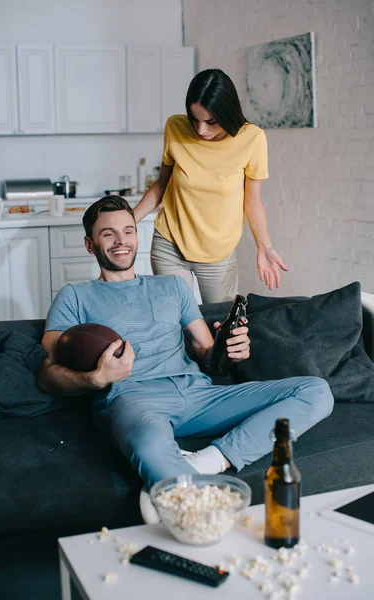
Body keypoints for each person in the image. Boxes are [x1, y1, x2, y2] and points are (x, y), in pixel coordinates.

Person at [38, 196, 333, 523]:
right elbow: (47, 373)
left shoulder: (173, 287)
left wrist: (233, 349)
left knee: (316, 391)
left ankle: (208, 461)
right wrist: (94, 379)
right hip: (132, 398)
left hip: (199, 396)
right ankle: (204, 515)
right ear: (90, 244)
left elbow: (208, 353)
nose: (121, 241)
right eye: (108, 234)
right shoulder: (75, 296)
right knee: (151, 444)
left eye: (128, 231)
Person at [133, 68, 289, 304]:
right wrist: (127, 221)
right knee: (178, 322)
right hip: (170, 244)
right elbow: (162, 184)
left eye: (211, 121)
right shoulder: (175, 127)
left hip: (218, 254)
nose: (201, 130)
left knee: (219, 326)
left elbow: (252, 200)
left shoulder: (252, 138)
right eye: (194, 119)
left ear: (227, 112)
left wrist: (264, 246)